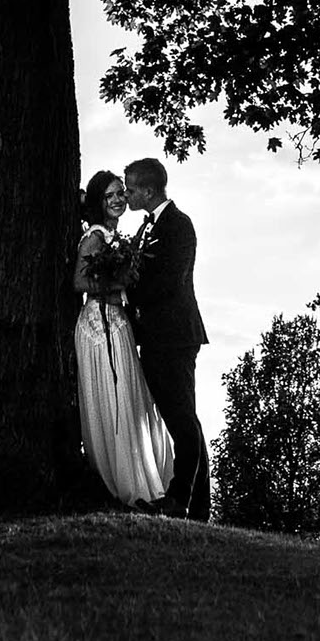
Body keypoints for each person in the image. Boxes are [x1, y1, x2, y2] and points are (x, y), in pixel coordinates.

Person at [72, 169, 173, 506]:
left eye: (121, 193)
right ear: (99, 202)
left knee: (130, 398)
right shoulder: (95, 237)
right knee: (114, 399)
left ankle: (144, 476)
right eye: (110, 195)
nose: (118, 200)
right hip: (100, 325)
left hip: (118, 321)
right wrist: (121, 284)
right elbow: (80, 283)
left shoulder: (118, 238)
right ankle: (124, 483)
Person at [122, 156, 211, 519]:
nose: (127, 195)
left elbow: (169, 281)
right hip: (156, 337)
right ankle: (198, 505)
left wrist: (125, 293)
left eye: (130, 189)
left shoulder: (178, 225)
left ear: (148, 189)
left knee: (181, 419)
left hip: (175, 336)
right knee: (182, 419)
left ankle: (179, 500)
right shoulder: (146, 229)